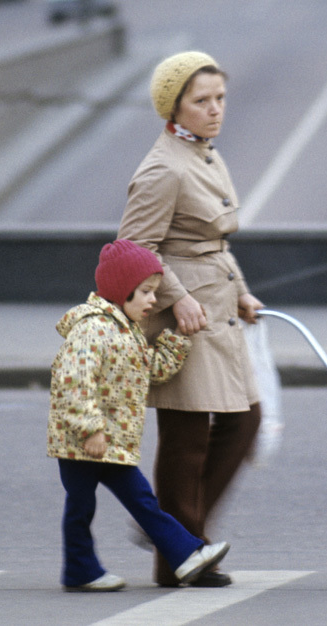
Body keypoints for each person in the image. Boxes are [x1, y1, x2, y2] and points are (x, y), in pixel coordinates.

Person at [117, 51, 263, 588]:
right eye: (201, 101)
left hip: (218, 311)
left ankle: (170, 527)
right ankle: (178, 554)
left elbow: (213, 242)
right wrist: (176, 297)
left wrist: (244, 293)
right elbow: (132, 247)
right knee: (186, 439)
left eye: (219, 98)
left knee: (244, 420)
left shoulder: (203, 154)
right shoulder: (163, 167)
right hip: (182, 319)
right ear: (173, 107)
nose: (215, 109)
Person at [48, 239, 231, 591]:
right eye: (146, 292)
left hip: (110, 442)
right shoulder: (91, 330)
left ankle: (186, 554)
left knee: (141, 501)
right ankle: (81, 570)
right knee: (82, 507)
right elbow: (74, 383)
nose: (152, 300)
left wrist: (178, 340)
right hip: (82, 443)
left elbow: (151, 371)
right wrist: (90, 429)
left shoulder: (125, 331)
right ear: (121, 290)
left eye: (154, 292)